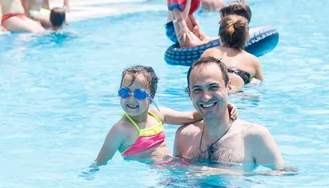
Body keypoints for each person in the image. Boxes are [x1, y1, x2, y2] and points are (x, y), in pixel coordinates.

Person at [94, 65, 237, 166]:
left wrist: (223, 108)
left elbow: (193, 116)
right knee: (209, 172)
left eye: (139, 94)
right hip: (154, 177)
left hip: (173, 166)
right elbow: (100, 162)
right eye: (125, 92)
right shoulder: (120, 130)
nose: (131, 99)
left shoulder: (157, 115)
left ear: (151, 97)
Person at [174, 57, 296, 175]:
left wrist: (222, 173)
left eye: (213, 87)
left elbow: (286, 173)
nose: (206, 97)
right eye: (197, 90)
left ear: (229, 87)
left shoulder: (253, 136)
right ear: (189, 94)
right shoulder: (184, 136)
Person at [200, 15, 264, 91]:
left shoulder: (209, 53)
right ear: (246, 37)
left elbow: (197, 77)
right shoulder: (253, 60)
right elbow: (261, 85)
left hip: (215, 89)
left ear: (220, 36)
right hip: (240, 91)